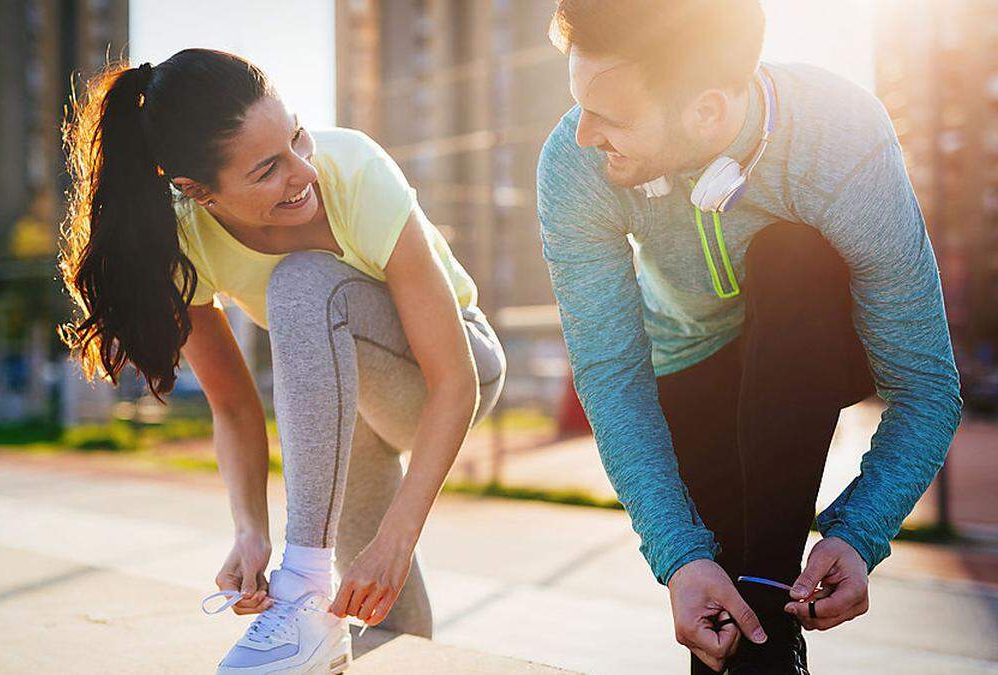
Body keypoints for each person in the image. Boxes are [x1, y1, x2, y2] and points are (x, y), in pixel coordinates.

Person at [535, 1, 961, 673]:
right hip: (688, 361)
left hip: (810, 341)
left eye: (610, 116)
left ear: (705, 111)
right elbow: (612, 376)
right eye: (579, 104)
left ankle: (767, 613)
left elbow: (927, 386)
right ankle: (759, 629)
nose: (583, 134)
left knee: (793, 254)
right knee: (719, 609)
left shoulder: (841, 138)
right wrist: (679, 557)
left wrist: (859, 531)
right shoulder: (572, 163)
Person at [58, 48, 506, 674]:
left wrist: (398, 538)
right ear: (197, 191)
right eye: (268, 169)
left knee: (301, 282)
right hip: (348, 417)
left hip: (453, 372)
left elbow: (454, 380)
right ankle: (317, 621)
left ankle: (299, 584)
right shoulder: (180, 240)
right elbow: (234, 403)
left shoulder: (352, 169)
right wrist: (249, 529)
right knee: (386, 621)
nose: (302, 173)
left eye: (297, 137)